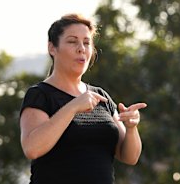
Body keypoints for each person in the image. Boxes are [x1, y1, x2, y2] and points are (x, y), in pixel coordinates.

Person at [19, 13, 147, 184]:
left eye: (86, 43)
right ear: (52, 48)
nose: (81, 48)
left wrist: (132, 128)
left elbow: (129, 157)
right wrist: (72, 107)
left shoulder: (100, 96)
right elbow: (32, 149)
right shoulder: (40, 95)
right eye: (72, 41)